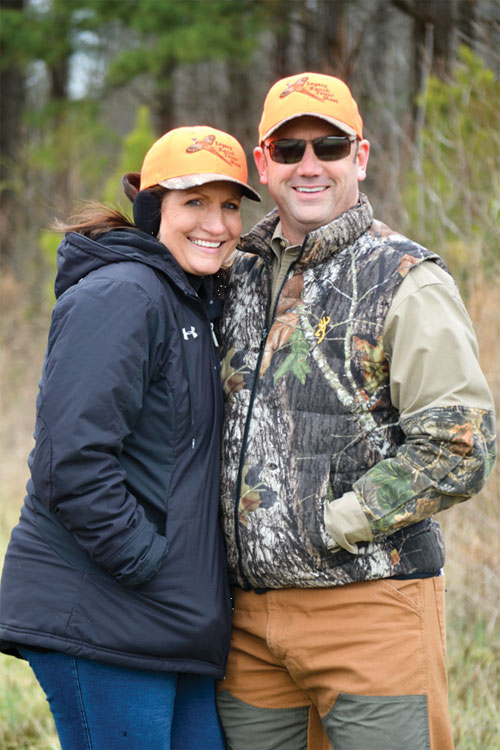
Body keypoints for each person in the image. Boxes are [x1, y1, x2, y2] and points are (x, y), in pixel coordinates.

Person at [215, 73, 496, 750]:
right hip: (245, 627)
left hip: (370, 608)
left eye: (329, 146)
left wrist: (333, 524)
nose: (309, 164)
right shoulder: (233, 274)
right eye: (289, 150)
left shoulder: (405, 279)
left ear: (360, 158)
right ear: (264, 163)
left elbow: (460, 444)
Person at [0, 125, 260, 750]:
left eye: (229, 205)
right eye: (193, 202)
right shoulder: (124, 293)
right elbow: (73, 462)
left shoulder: (189, 302)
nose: (216, 223)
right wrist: (150, 563)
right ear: (154, 210)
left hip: (168, 625)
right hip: (105, 616)